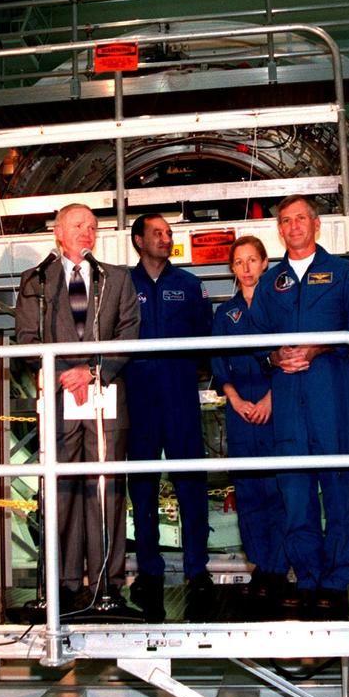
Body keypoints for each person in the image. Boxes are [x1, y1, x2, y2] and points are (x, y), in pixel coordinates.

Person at [248, 195, 349, 619]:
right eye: (286, 221)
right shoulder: (271, 284)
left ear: (316, 225)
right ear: (280, 230)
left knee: (339, 490)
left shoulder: (342, 273)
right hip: (288, 402)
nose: (293, 226)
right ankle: (306, 578)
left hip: (331, 398)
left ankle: (336, 582)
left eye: (300, 218)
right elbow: (255, 340)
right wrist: (273, 358)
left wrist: (318, 347)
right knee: (296, 493)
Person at [14, 203, 141, 615]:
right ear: (58, 232)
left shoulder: (117, 279)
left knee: (106, 491)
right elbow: (27, 338)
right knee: (62, 490)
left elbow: (129, 334)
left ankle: (108, 583)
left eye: (92, 226)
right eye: (77, 226)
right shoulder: (35, 280)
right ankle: (63, 584)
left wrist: (90, 372)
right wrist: (64, 375)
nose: (86, 232)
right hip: (58, 398)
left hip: (105, 397)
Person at [124, 213, 214, 621]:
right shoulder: (122, 285)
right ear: (139, 240)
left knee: (191, 483)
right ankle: (150, 570)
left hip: (179, 396)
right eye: (157, 233)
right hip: (138, 398)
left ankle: (198, 570)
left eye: (168, 233)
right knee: (141, 486)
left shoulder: (189, 285)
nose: (166, 238)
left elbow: (205, 340)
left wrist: (180, 372)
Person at [211, 235, 288, 618]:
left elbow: (289, 356)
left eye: (252, 260)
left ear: (264, 263)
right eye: (238, 261)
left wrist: (269, 401)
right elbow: (217, 362)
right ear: (232, 268)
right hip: (240, 407)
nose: (245, 267)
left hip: (276, 404)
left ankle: (279, 567)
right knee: (249, 491)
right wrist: (236, 400)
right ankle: (260, 567)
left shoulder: (280, 308)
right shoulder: (225, 314)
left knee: (277, 487)